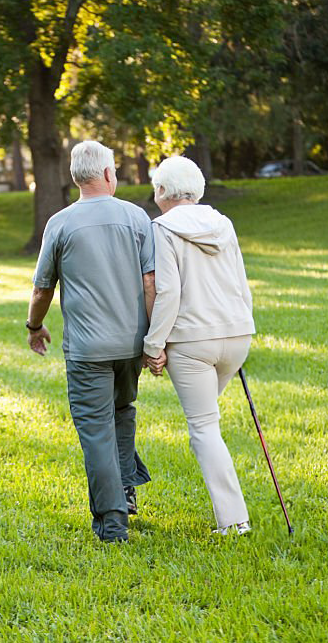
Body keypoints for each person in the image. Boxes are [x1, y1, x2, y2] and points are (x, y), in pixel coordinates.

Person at [26, 140, 155, 543]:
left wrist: (34, 326)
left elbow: (43, 287)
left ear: (75, 177)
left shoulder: (60, 223)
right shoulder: (137, 218)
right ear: (107, 174)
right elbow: (152, 283)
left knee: (97, 429)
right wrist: (154, 337)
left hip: (87, 350)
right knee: (122, 411)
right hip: (132, 345)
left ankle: (113, 522)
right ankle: (126, 491)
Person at [143, 155, 255, 536]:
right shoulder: (223, 224)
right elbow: (242, 282)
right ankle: (233, 516)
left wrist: (153, 344)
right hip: (237, 336)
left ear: (161, 191)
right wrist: (244, 326)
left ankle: (234, 521)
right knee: (209, 424)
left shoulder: (162, 227)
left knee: (204, 428)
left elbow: (166, 289)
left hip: (193, 341)